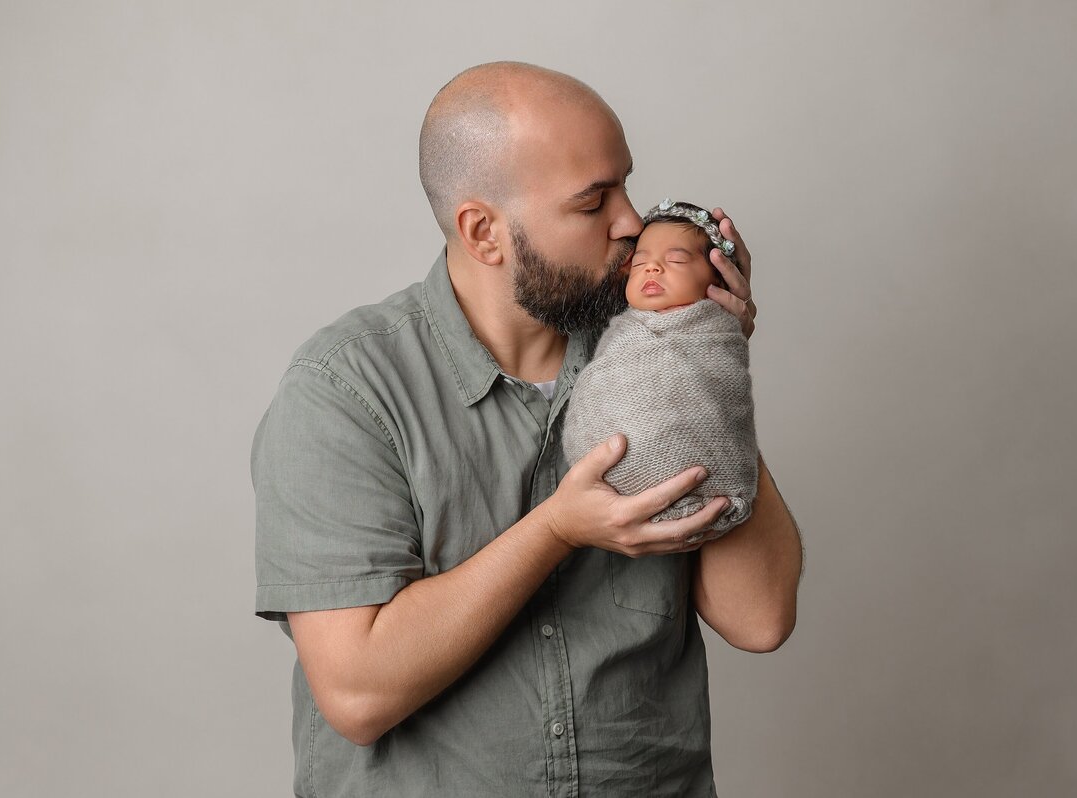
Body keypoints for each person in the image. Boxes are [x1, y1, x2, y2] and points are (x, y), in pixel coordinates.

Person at [252, 61, 803, 797]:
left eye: (627, 186)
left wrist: (709, 368)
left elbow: (758, 619)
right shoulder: (345, 391)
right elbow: (357, 694)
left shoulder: (646, 355)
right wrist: (556, 530)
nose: (632, 222)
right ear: (484, 232)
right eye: (591, 203)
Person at [561, 199, 760, 540]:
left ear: (719, 279)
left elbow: (724, 400)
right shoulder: (617, 328)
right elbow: (603, 389)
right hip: (596, 481)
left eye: (676, 260)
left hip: (698, 468)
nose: (652, 270)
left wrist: (731, 328)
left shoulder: (716, 332)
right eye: (640, 264)